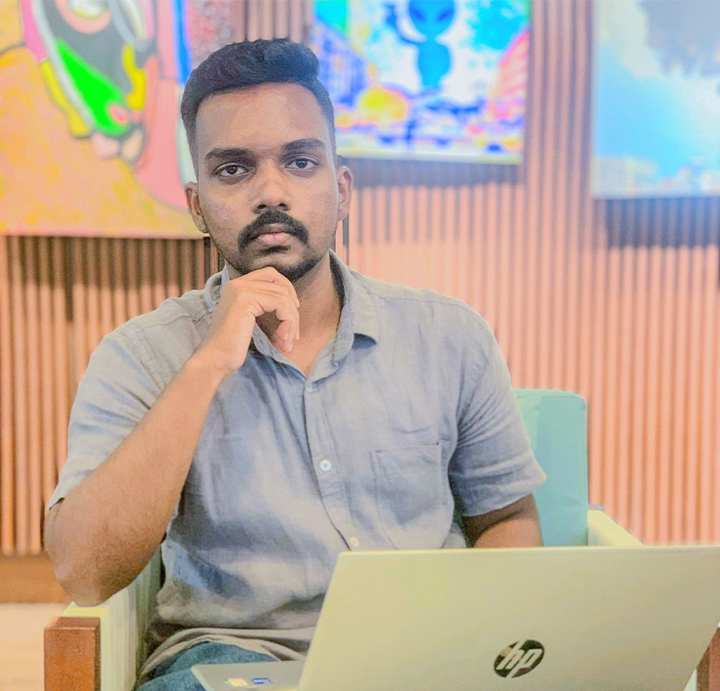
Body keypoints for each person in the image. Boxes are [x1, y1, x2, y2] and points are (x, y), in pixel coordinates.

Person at [44, 38, 546, 691]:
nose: (271, 192)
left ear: (341, 189)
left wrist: (491, 647)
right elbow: (84, 572)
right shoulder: (142, 353)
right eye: (233, 170)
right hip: (234, 663)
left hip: (425, 657)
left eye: (301, 161)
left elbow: (504, 517)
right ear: (197, 207)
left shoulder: (449, 335)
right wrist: (207, 365)